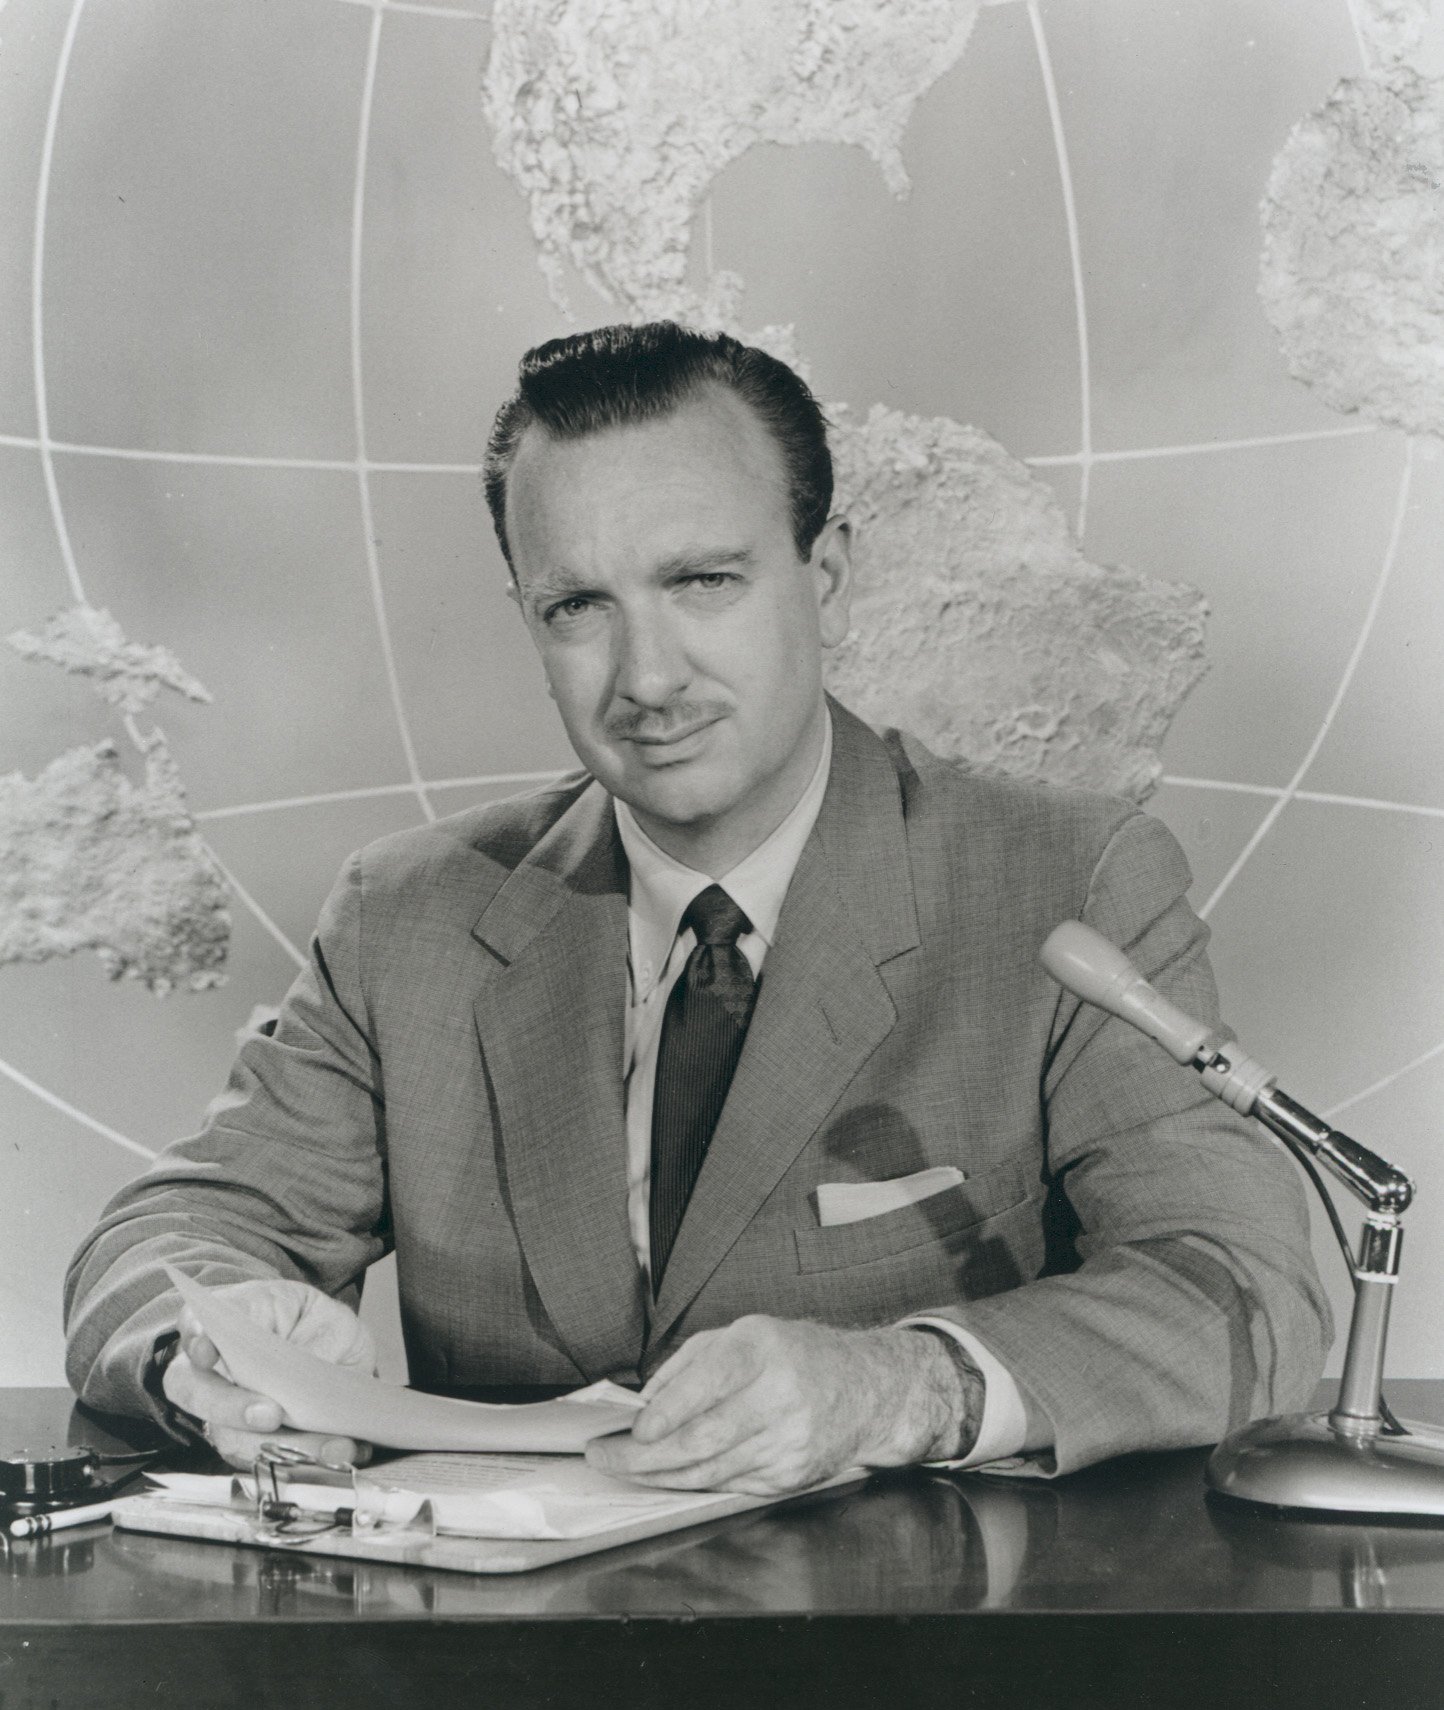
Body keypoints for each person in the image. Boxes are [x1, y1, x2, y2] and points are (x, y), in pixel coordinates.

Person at [64, 323, 1331, 1493]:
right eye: (579, 609)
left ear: (825, 574)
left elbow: (1238, 1294)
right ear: (528, 620)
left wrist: (904, 1384)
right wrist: (212, 1344)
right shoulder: (412, 915)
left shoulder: (1065, 881)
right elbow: (179, 1230)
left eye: (703, 582)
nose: (648, 676)